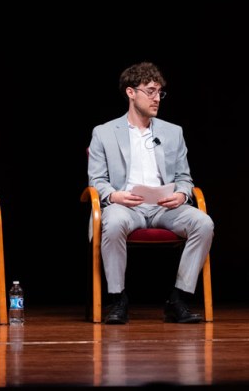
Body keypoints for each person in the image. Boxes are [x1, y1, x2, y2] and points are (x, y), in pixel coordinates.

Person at [87, 62, 214, 324]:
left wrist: (181, 195)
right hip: (126, 205)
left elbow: (184, 177)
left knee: (204, 222)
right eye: (150, 91)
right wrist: (114, 196)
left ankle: (178, 299)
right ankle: (117, 299)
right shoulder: (104, 132)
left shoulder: (173, 132)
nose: (157, 98)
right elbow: (97, 180)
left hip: (164, 207)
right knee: (111, 222)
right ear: (131, 93)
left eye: (159, 92)